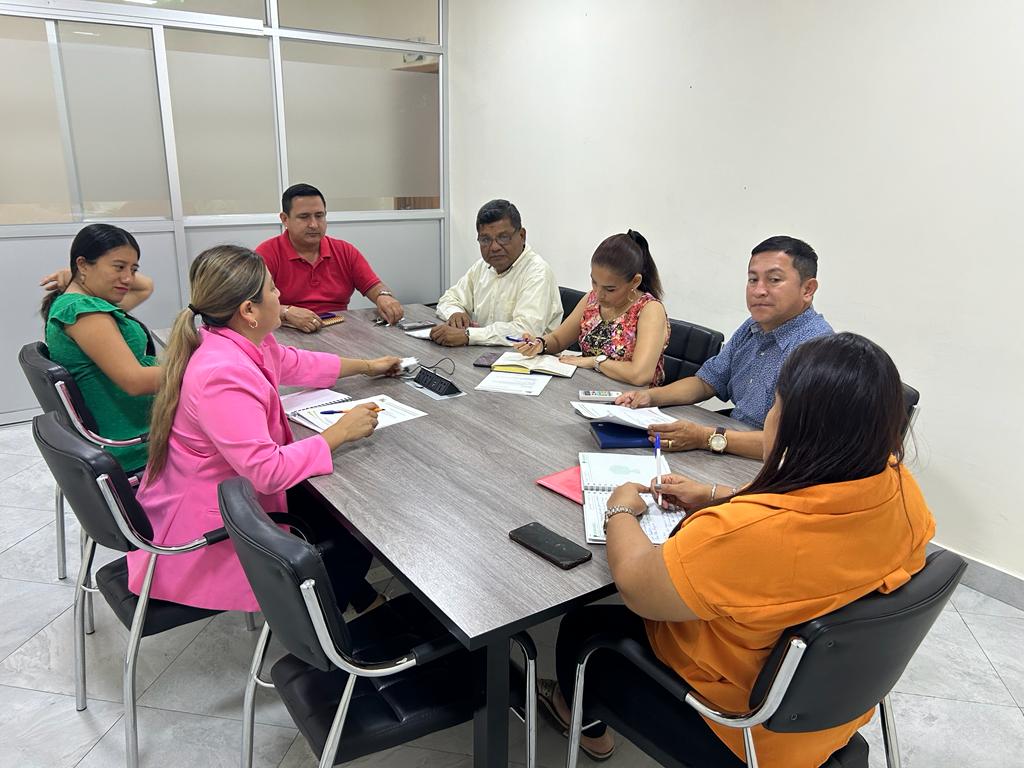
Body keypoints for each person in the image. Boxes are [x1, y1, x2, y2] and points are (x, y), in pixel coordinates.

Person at [540, 332, 935, 766]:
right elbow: (806, 509)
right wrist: (716, 495)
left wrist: (618, 511)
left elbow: (636, 586)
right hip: (832, 711)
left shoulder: (745, 536)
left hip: (745, 733)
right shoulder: (902, 489)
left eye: (776, 404)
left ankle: (582, 725)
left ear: (795, 425)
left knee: (583, 627)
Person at [127, 245, 401, 613]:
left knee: (336, 509)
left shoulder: (232, 340)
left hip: (229, 490)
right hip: (210, 523)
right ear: (248, 310)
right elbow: (267, 472)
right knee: (353, 531)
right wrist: (340, 431)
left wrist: (368, 366)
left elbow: (296, 363)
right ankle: (316, 620)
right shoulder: (223, 375)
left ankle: (356, 595)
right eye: (272, 288)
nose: (280, 294)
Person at [616, 235, 833, 461]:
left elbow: (788, 445)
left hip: (768, 462)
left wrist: (703, 437)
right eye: (753, 279)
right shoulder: (753, 326)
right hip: (730, 437)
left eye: (774, 280)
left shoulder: (817, 349)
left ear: (808, 289)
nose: (759, 290)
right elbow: (707, 382)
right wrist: (649, 397)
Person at [41, 224, 160, 471]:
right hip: (135, 445)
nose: (128, 279)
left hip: (140, 427)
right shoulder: (84, 312)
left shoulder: (87, 303)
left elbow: (146, 285)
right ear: (84, 264)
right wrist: (199, 368)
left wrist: (74, 273)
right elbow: (136, 381)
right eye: (118, 267)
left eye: (133, 269)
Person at [513, 230, 669, 386]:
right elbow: (558, 340)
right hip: (587, 387)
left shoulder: (649, 309)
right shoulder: (591, 300)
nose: (599, 294)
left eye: (610, 289)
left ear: (635, 282)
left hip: (632, 397)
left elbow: (640, 375)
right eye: (594, 282)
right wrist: (539, 344)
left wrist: (594, 361)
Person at [255, 183, 404, 333]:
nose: (314, 224)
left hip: (340, 331)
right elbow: (250, 303)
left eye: (319, 216)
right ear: (285, 219)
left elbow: (374, 286)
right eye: (304, 217)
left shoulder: (344, 251)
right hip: (287, 332)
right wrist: (285, 312)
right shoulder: (267, 253)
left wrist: (384, 297)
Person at [430, 199, 562, 347]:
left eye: (503, 237)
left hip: (527, 358)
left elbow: (525, 331)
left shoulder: (537, 272)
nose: (494, 247)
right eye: (485, 239)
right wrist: (455, 314)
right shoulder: (482, 267)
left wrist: (469, 335)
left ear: (522, 235)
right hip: (481, 353)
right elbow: (449, 298)